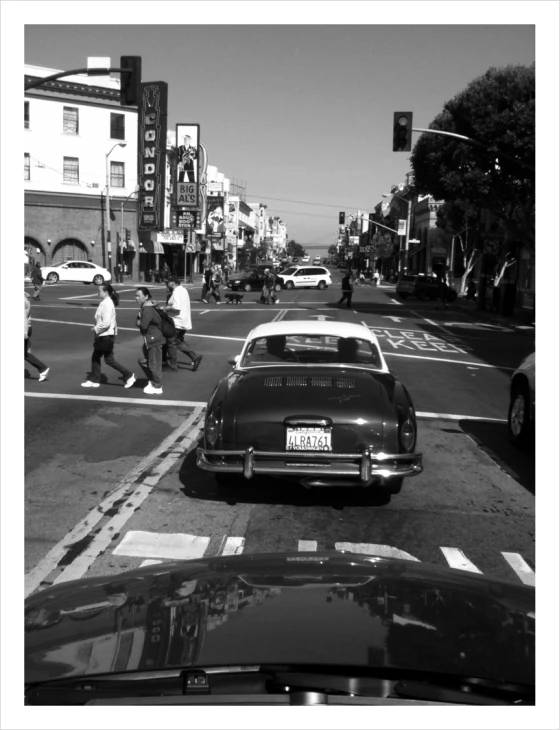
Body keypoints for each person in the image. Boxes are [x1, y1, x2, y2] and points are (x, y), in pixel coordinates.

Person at [81, 284, 136, 389]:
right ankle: (95, 379)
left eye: (99, 291)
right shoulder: (105, 302)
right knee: (97, 357)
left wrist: (96, 329)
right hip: (105, 334)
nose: (98, 293)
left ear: (106, 292)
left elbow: (106, 323)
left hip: (106, 335)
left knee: (108, 359)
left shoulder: (107, 304)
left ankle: (128, 375)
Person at [163, 276, 203, 372]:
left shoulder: (176, 291)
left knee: (171, 343)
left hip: (177, 322)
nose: (167, 284)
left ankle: (173, 365)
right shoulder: (183, 290)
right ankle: (194, 357)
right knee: (177, 341)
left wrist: (165, 308)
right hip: (183, 321)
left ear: (172, 283)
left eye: (168, 282)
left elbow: (176, 307)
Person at [135, 287, 166, 395]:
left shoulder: (147, 309)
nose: (136, 298)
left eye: (138, 296)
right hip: (150, 339)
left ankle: (158, 386)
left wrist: (138, 322)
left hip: (154, 339)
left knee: (154, 364)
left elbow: (143, 325)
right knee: (142, 359)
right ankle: (153, 381)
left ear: (146, 296)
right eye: (136, 295)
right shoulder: (146, 306)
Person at [24, 292, 49, 381]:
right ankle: (42, 368)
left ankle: (42, 368)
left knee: (24, 354)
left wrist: (24, 331)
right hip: (26, 328)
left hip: (24, 328)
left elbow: (23, 317)